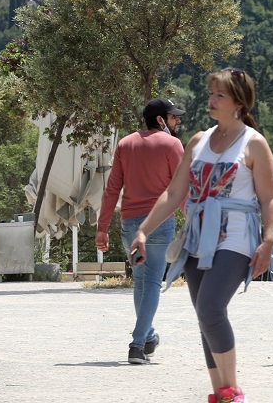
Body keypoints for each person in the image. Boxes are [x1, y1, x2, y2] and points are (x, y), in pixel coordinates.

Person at [129, 68, 273, 403]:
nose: (211, 99)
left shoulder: (254, 144)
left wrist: (268, 241)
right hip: (197, 236)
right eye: (211, 93)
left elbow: (270, 199)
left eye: (219, 95)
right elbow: (173, 193)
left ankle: (233, 390)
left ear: (239, 102)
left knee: (211, 307)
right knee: (204, 316)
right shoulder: (198, 141)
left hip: (236, 237)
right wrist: (143, 230)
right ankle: (220, 394)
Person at [96, 97, 185, 364]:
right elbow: (182, 188)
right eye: (173, 117)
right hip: (159, 223)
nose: (177, 121)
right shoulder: (172, 144)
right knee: (152, 283)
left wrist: (102, 227)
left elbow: (113, 188)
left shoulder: (125, 144)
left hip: (130, 225)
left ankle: (148, 337)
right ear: (160, 120)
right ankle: (137, 344)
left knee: (142, 281)